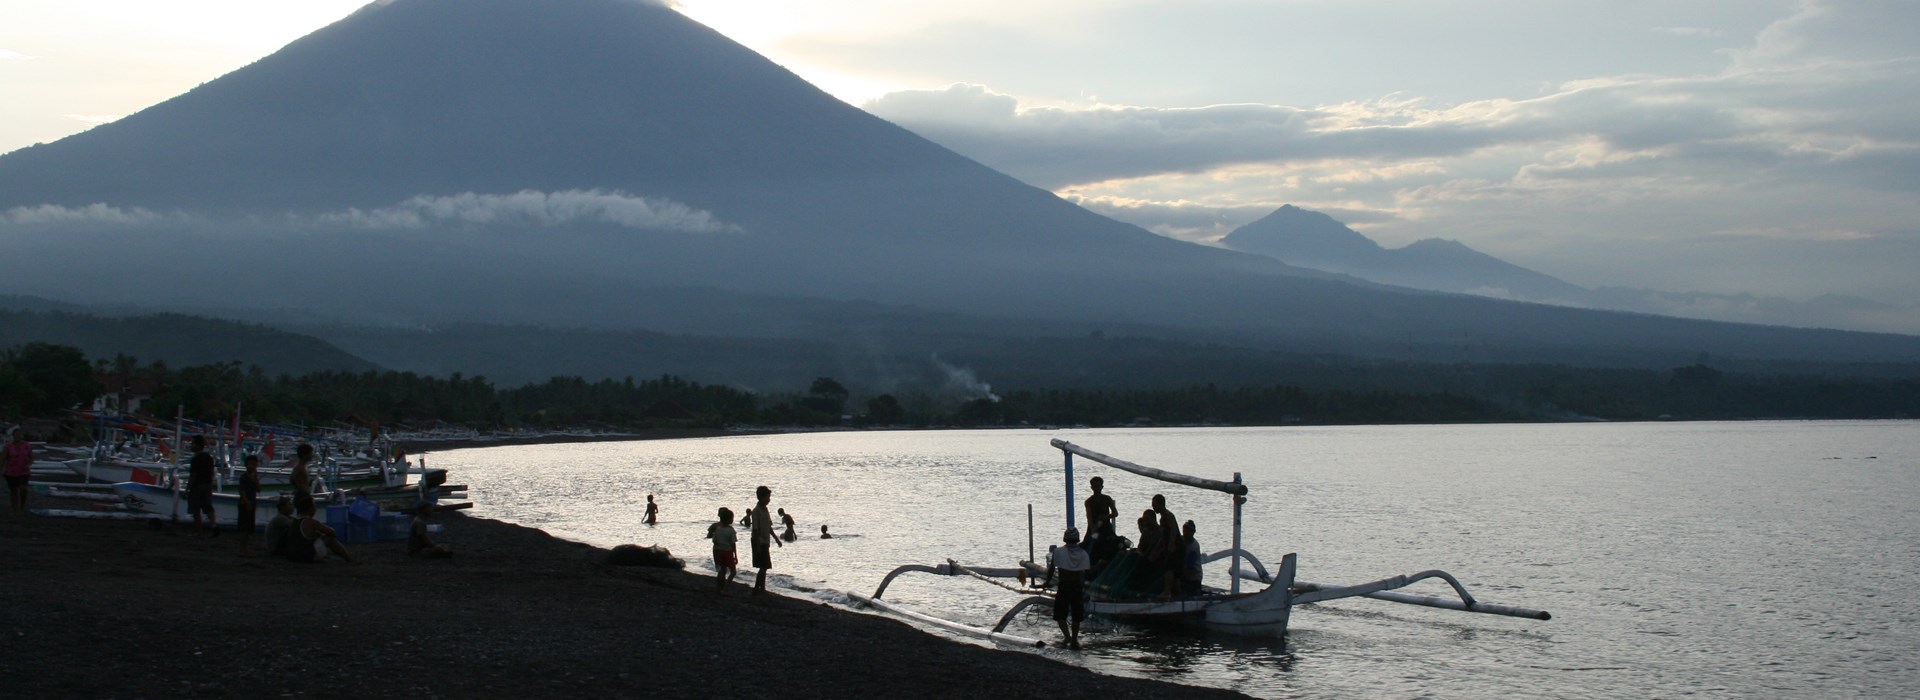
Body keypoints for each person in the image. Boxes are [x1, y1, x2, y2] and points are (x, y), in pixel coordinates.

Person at [1047, 527, 1091, 650]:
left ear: (1065, 539)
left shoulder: (1058, 552)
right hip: (1077, 586)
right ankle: (1074, 638)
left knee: (1060, 614)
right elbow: (1086, 573)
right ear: (1077, 539)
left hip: (1064, 586)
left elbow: (1051, 569)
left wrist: (1046, 583)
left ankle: (1067, 636)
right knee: (1077, 614)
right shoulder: (1083, 554)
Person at [280, 497, 354, 563]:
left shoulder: (295, 520)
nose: (316, 509)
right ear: (310, 509)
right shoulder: (311, 522)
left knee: (319, 536)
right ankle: (349, 559)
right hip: (304, 557)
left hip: (292, 556)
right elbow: (332, 532)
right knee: (330, 539)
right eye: (314, 506)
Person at [749, 485, 783, 595]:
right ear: (761, 497)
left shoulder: (765, 510)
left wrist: (776, 539)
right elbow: (755, 530)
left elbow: (768, 526)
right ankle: (757, 588)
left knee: (765, 566)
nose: (769, 500)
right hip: (758, 541)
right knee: (763, 566)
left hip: (765, 541)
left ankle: (761, 588)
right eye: (768, 497)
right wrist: (758, 545)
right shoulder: (756, 511)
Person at [1151, 494, 1182, 599]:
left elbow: (1173, 529)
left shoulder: (1168, 515)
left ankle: (1167, 591)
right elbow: (1163, 535)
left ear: (1161, 504)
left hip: (1175, 546)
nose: (1153, 507)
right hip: (1170, 545)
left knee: (1169, 568)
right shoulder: (1162, 518)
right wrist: (1157, 549)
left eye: (1155, 505)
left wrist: (1172, 543)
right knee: (1175, 570)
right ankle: (1177, 593)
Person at [186, 435, 217, 534]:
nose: (191, 446)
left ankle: (198, 529)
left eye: (192, 443)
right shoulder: (209, 458)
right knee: (208, 507)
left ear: (198, 445)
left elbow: (193, 476)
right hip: (207, 485)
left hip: (197, 486)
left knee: (196, 509)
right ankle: (213, 526)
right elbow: (212, 473)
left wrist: (187, 489)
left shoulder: (195, 459)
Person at [707, 507, 738, 593]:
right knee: (733, 572)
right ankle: (725, 589)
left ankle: (719, 588)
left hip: (719, 551)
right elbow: (733, 544)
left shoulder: (717, 528)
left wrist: (719, 547)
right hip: (727, 552)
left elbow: (714, 540)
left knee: (721, 569)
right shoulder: (731, 530)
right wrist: (735, 555)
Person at [236, 454, 262, 553]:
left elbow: (259, 489)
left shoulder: (254, 477)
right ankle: (242, 549)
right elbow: (241, 491)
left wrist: (255, 478)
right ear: (246, 465)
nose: (252, 466)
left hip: (252, 503)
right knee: (244, 528)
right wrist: (246, 502)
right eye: (250, 464)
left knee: (248, 528)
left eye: (254, 464)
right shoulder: (243, 477)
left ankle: (245, 548)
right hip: (245, 504)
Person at [4, 430, 33, 515]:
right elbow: (2, 459)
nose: (18, 436)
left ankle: (22, 505)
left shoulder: (27, 446)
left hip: (24, 471)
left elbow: (31, 457)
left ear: (22, 436)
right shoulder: (8, 446)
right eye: (16, 435)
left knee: (23, 488)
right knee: (14, 490)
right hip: (11, 471)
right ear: (13, 436)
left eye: (20, 435)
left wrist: (29, 464)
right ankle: (14, 507)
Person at [1180, 520, 1204, 595]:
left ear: (1193, 532)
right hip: (1185, 576)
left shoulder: (1194, 547)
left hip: (1194, 579)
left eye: (1188, 531)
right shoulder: (1181, 540)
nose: (1185, 533)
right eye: (1184, 531)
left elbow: (1189, 565)